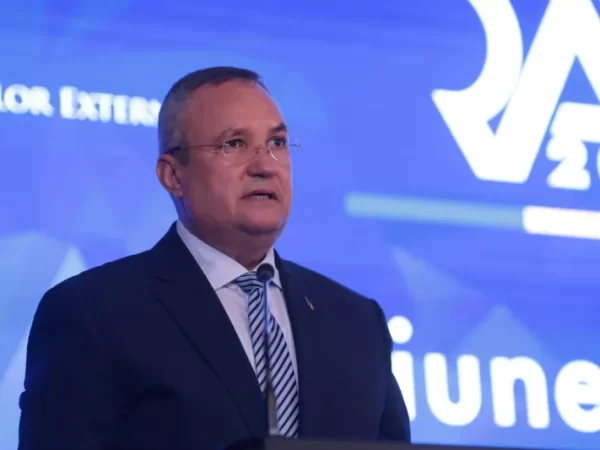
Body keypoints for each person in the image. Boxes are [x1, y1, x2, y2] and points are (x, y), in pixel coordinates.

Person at [18, 66, 411, 450]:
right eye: (234, 144)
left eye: (277, 143)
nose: (265, 166)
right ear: (173, 176)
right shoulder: (93, 312)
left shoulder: (357, 322)